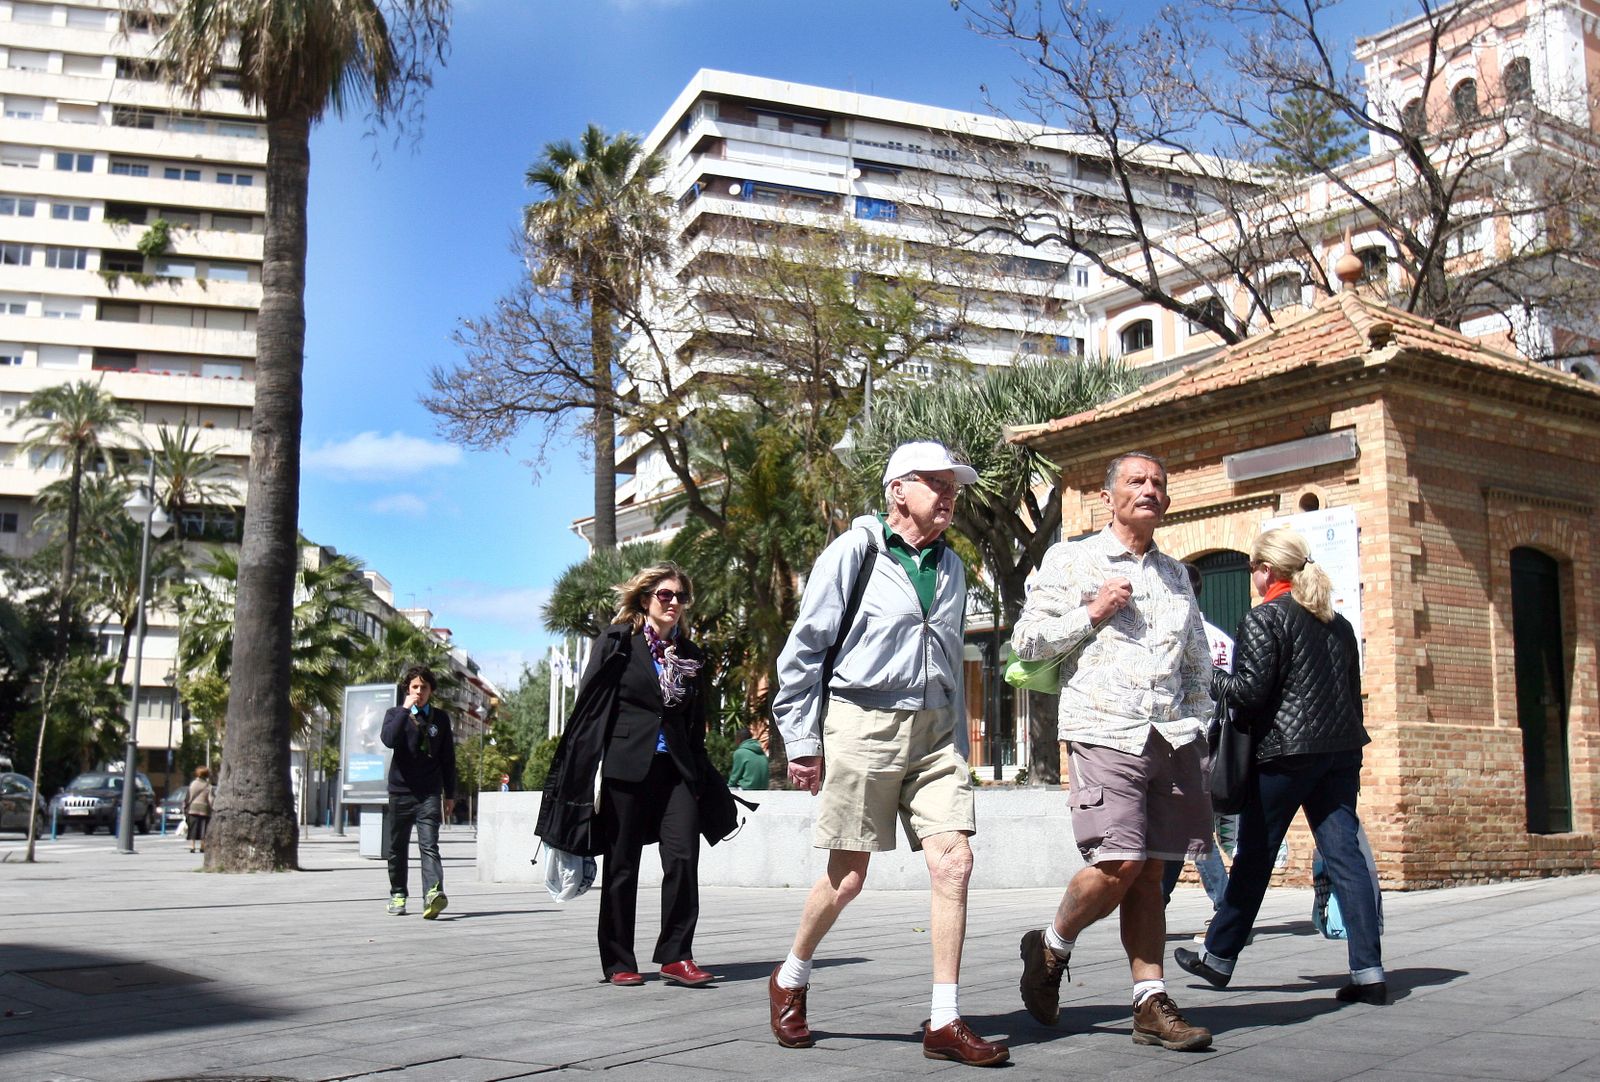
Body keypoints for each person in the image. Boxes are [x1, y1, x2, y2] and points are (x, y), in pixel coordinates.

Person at [769, 440, 1008, 1067]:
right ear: (898, 489)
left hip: (936, 732)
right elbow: (804, 650)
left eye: (954, 486)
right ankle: (791, 976)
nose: (950, 495)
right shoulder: (856, 552)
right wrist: (802, 741)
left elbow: (951, 655)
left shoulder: (952, 565)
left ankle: (945, 1020)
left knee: (954, 863)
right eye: (937, 483)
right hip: (862, 722)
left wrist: (956, 734)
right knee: (848, 876)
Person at [1011, 451, 1214, 1053]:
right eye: (1135, 481)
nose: (1148, 489)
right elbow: (1027, 640)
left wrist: (1198, 721)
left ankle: (1149, 1002)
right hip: (1103, 729)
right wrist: (1092, 611)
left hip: (1169, 737)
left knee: (1151, 872)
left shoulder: (1176, 575)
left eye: (1158, 483)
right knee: (1119, 863)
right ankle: (1051, 945)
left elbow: (1197, 661)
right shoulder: (1071, 559)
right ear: (1108, 497)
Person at [1175, 528, 1386, 1005]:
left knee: (1255, 855)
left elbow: (1248, 695)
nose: (1251, 575)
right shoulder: (1338, 623)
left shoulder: (1264, 618)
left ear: (1267, 571)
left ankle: (1218, 957)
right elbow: (1351, 695)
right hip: (1339, 753)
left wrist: (1211, 679)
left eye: (1252, 567)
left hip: (1284, 756)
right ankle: (1369, 971)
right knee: (1346, 858)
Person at [549, 563, 719, 988]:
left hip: (676, 770)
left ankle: (676, 955)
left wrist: (701, 775)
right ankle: (618, 959)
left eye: (680, 596)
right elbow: (590, 707)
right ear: (645, 599)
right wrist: (578, 769)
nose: (674, 603)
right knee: (622, 865)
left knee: (683, 858)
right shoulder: (617, 642)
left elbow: (695, 723)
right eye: (665, 595)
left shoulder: (691, 655)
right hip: (626, 767)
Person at [1160, 564, 1233, 915]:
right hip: (1218, 740)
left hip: (1185, 740)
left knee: (1193, 827)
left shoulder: (1178, 635)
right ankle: (1157, 903)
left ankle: (1226, 905)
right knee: (1180, 826)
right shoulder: (1221, 638)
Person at [380, 665, 456, 919]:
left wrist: (450, 794)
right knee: (397, 848)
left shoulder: (441, 718)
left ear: (431, 690)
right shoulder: (395, 714)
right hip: (400, 791)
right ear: (407, 689)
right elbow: (388, 740)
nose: (419, 691)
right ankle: (398, 894)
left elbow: (448, 759)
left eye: (424, 687)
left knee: (429, 845)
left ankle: (433, 894)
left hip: (429, 793)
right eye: (415, 687)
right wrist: (405, 709)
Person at [727, 721, 770, 791]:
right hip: (763, 788)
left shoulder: (740, 753)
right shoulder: (761, 752)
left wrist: (729, 786)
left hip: (747, 788)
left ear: (739, 738)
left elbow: (735, 776)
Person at [182, 765, 213, 853]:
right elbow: (211, 799)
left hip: (193, 809)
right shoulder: (208, 786)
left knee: (193, 828)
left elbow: (188, 797)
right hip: (205, 810)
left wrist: (185, 806)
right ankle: (202, 846)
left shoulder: (193, 784)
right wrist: (212, 808)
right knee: (203, 828)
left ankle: (192, 846)